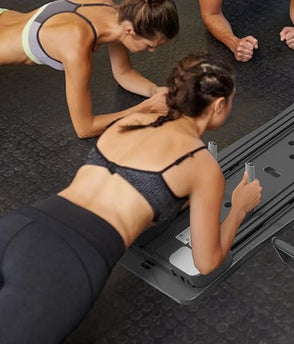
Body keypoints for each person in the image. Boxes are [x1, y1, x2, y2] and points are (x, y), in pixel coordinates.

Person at [0, 53, 262, 344]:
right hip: (71, 258)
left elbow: (134, 185)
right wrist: (239, 207)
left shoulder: (133, 120)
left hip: (22, 225)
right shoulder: (202, 166)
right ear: (218, 105)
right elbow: (207, 261)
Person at [0, 0, 179, 138]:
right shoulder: (75, 46)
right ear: (130, 32)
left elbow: (123, 73)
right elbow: (84, 128)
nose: (153, 51)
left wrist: (155, 92)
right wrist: (146, 108)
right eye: (150, 45)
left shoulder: (110, 9)